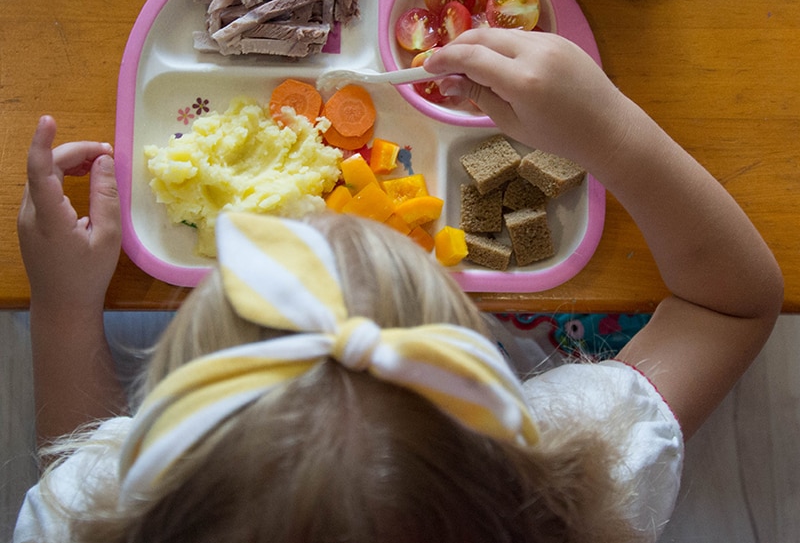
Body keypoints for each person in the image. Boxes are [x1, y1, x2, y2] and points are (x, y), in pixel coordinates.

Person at [14, 29, 783, 543]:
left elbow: (75, 472)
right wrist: (607, 128)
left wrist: (63, 309)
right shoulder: (575, 482)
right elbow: (732, 302)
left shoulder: (77, 517)